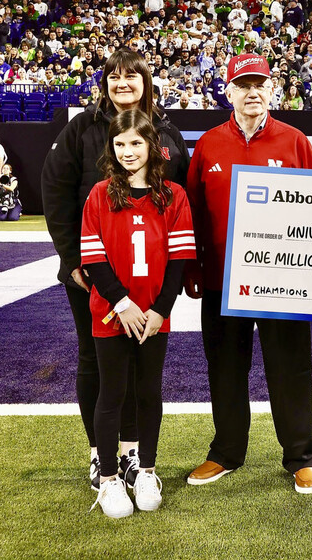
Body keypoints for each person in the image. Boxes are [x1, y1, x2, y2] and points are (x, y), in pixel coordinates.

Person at [42, 49, 189, 492]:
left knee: (141, 367)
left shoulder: (166, 131)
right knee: (97, 361)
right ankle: (99, 454)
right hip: (94, 273)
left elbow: (180, 195)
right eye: (113, 76)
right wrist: (73, 262)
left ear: (146, 80)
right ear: (103, 83)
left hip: (149, 275)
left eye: (131, 76)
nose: (122, 83)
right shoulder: (82, 128)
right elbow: (56, 192)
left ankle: (131, 454)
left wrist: (172, 285)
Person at [183, 53, 312, 494]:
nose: (252, 92)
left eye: (259, 83)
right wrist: (195, 267)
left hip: (282, 283)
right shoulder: (208, 143)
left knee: (290, 369)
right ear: (228, 91)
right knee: (224, 368)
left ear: (272, 88)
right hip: (223, 282)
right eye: (242, 85)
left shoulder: (295, 141)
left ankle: (301, 456)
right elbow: (194, 211)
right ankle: (226, 452)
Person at [83, 110, 196, 519]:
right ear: (111, 148)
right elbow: (93, 259)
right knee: (112, 394)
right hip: (113, 314)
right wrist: (122, 303)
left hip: (152, 316)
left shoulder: (174, 196)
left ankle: (145, 470)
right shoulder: (99, 194)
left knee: (149, 392)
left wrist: (159, 310)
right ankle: (110, 479)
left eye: (136, 143)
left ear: (152, 145)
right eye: (120, 144)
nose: (128, 151)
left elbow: (180, 260)